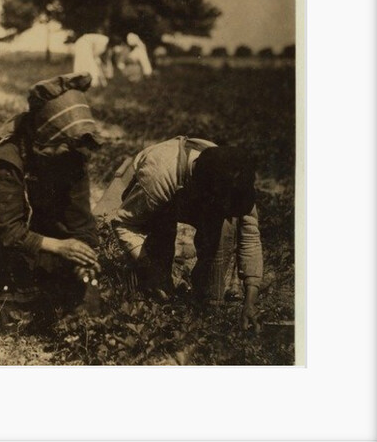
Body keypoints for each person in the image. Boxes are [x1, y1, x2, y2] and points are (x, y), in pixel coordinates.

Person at [0, 73, 103, 332]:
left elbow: (81, 220)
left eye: (70, 145)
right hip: (13, 250)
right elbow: (8, 231)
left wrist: (83, 257)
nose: (67, 151)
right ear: (45, 132)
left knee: (87, 313)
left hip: (55, 249)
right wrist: (60, 247)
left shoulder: (73, 156)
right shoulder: (8, 159)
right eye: (61, 144)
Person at [106, 136, 267, 332]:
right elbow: (124, 224)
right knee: (158, 285)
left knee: (225, 233)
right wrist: (148, 266)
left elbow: (249, 235)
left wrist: (251, 301)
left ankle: (204, 298)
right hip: (163, 193)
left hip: (200, 194)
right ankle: (159, 284)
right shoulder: (159, 177)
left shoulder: (234, 178)